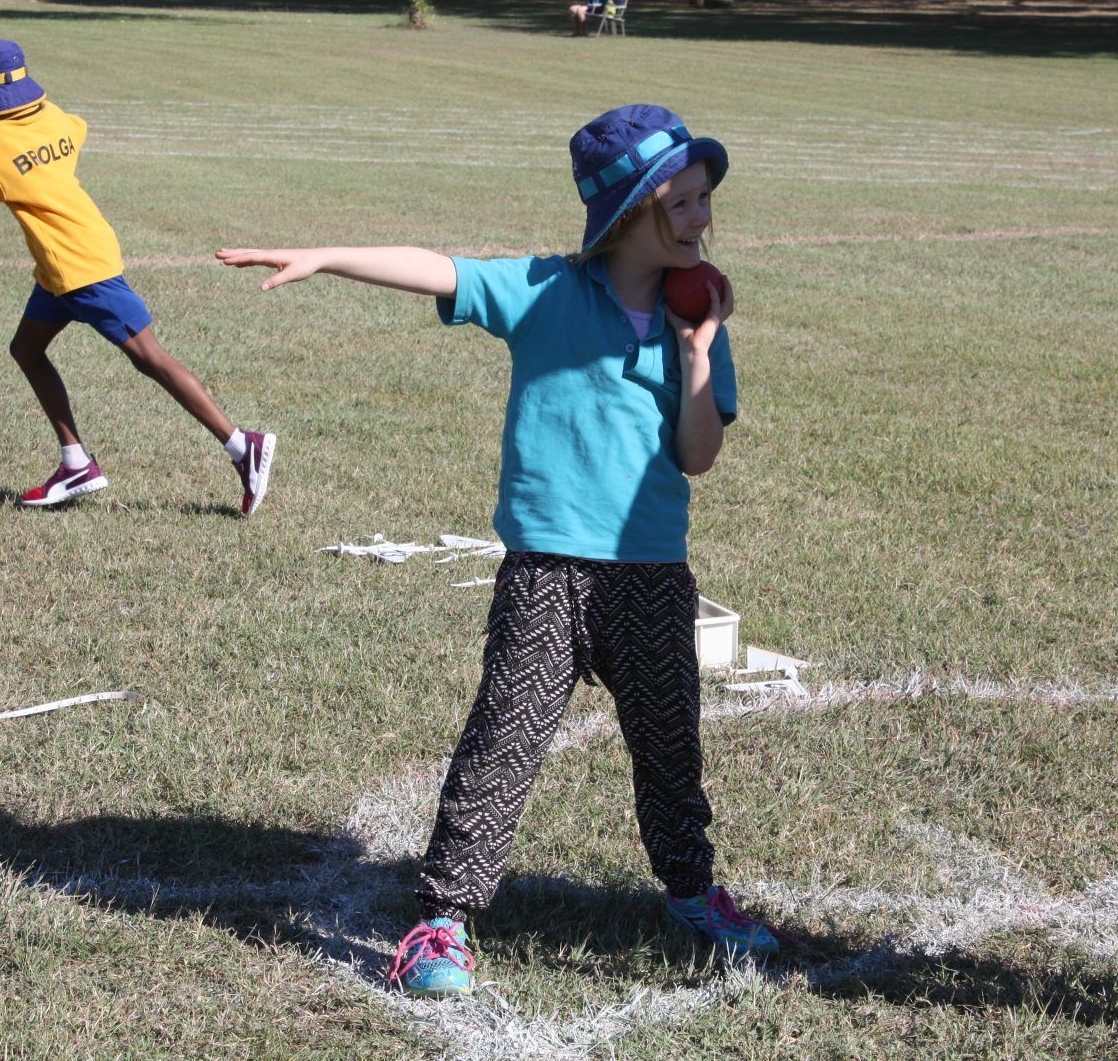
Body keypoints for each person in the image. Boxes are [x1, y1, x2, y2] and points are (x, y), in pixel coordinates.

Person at [218, 104, 779, 999]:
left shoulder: (697, 314)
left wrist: (701, 350)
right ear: (631, 209)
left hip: (652, 575)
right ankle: (442, 920)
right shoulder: (545, 292)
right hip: (547, 573)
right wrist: (325, 256)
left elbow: (698, 457)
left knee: (672, 748)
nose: (702, 219)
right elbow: (437, 268)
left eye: (705, 199)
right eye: (681, 203)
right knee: (503, 742)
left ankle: (690, 890)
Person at [0, 39, 276, 515]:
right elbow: (74, 129)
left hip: (79, 268)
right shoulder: (52, 117)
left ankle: (241, 446)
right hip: (65, 260)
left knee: (151, 359)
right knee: (25, 348)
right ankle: (75, 465)